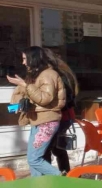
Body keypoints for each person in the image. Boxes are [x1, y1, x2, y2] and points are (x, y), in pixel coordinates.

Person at [8, 47, 65, 177]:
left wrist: (25, 85)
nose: (23, 62)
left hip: (46, 122)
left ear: (33, 59)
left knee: (34, 159)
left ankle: (61, 176)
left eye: (24, 59)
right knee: (34, 160)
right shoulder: (37, 75)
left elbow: (44, 98)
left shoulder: (48, 75)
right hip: (38, 120)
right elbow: (32, 95)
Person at [43, 49, 78, 174]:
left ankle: (50, 178)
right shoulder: (63, 71)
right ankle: (66, 174)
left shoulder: (55, 74)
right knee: (58, 148)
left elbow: (62, 98)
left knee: (46, 149)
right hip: (65, 115)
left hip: (60, 116)